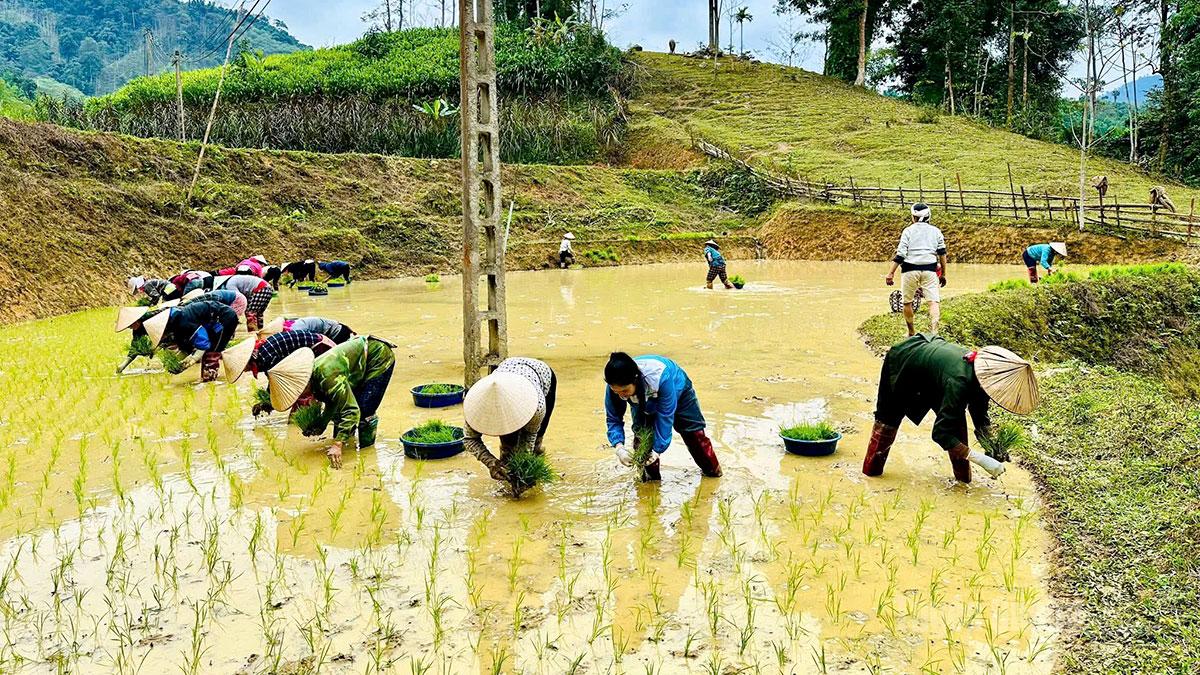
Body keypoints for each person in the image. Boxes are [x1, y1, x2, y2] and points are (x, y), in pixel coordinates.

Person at [863, 333, 1038, 483]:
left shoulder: (983, 379)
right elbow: (939, 434)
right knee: (887, 422)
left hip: (937, 373)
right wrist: (980, 459)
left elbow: (980, 415)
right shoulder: (959, 382)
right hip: (905, 361)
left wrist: (992, 447)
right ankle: (871, 474)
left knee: (955, 424)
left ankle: (963, 483)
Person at [263, 335, 397, 469]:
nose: (299, 396)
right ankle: (348, 443)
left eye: (298, 392)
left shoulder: (326, 376)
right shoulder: (315, 381)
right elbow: (333, 403)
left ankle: (367, 456)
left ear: (303, 383)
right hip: (357, 365)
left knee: (365, 411)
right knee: (340, 413)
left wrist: (337, 444)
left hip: (378, 356)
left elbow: (352, 410)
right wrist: (321, 424)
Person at [604, 352, 722, 481]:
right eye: (617, 392)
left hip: (678, 391)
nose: (621, 396)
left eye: (625, 391)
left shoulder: (660, 376)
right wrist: (619, 447)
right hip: (641, 400)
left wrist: (658, 450)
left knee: (693, 434)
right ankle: (650, 485)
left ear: (635, 380)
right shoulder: (614, 384)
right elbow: (613, 418)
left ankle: (713, 475)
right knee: (643, 439)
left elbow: (665, 416)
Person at [463, 358, 557, 487]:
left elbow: (529, 436)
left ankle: (531, 476)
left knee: (535, 444)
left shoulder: (537, 406)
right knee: (508, 447)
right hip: (507, 370)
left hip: (541, 375)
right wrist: (492, 463)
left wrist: (523, 470)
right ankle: (506, 475)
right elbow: (469, 439)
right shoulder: (474, 404)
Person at [885, 203, 947, 336]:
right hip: (930, 270)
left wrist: (891, 273)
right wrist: (943, 275)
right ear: (929, 216)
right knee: (933, 302)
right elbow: (942, 254)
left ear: (913, 217)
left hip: (909, 270)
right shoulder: (936, 231)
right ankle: (934, 332)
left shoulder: (908, 231)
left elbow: (900, 254)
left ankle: (911, 332)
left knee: (907, 302)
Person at [222, 330, 338, 401]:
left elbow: (282, 378)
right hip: (315, 344)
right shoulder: (260, 351)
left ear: (247, 361)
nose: (245, 371)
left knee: (311, 387)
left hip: (320, 348)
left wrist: (267, 402)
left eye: (243, 368)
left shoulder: (265, 357)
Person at [144, 300, 241, 381]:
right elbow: (185, 347)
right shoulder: (176, 325)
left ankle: (210, 381)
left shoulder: (184, 321)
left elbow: (203, 342)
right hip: (211, 322)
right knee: (206, 347)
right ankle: (209, 377)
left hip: (225, 318)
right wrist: (176, 364)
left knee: (213, 349)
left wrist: (190, 362)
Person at [259, 316, 355, 343]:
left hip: (337, 333)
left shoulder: (295, 331)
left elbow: (314, 341)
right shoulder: (289, 324)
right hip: (335, 327)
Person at [181, 287, 247, 317]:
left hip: (238, 300)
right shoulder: (201, 299)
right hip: (233, 298)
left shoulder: (210, 297)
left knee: (229, 317)